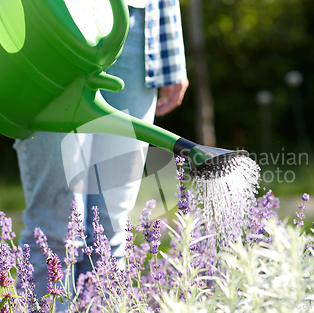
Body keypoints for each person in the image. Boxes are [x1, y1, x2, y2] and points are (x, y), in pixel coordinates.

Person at [13, 0, 189, 301]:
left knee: (110, 231)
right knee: (56, 229)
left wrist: (172, 51)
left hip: (136, 27)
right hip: (54, 19)